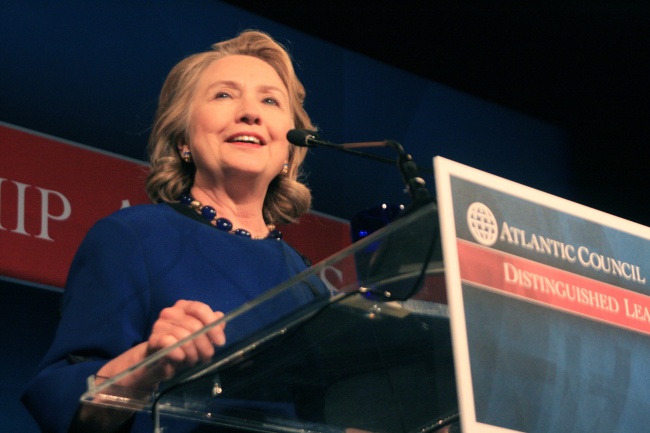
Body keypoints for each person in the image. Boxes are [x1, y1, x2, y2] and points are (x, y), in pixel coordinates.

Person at [22, 30, 328, 433]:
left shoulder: (309, 282)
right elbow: (58, 398)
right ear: (183, 139)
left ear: (290, 148)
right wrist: (147, 364)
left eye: (270, 101)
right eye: (224, 95)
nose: (250, 113)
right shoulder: (132, 238)